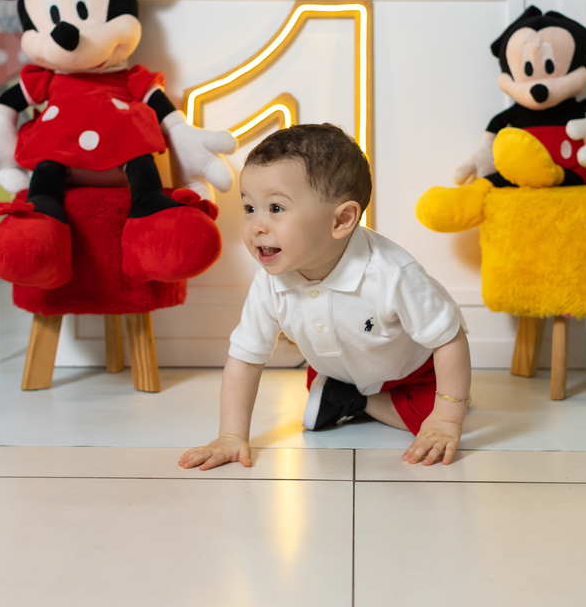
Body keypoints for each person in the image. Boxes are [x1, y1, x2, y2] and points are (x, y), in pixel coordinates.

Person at [180, 124, 472, 471]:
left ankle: (354, 400)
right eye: (249, 207)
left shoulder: (392, 273)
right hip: (341, 366)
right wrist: (231, 435)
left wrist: (446, 419)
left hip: (414, 369)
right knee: (328, 370)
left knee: (444, 410)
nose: (256, 226)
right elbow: (245, 357)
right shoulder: (270, 280)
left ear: (341, 220)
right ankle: (341, 390)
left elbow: (449, 340)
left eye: (276, 208)